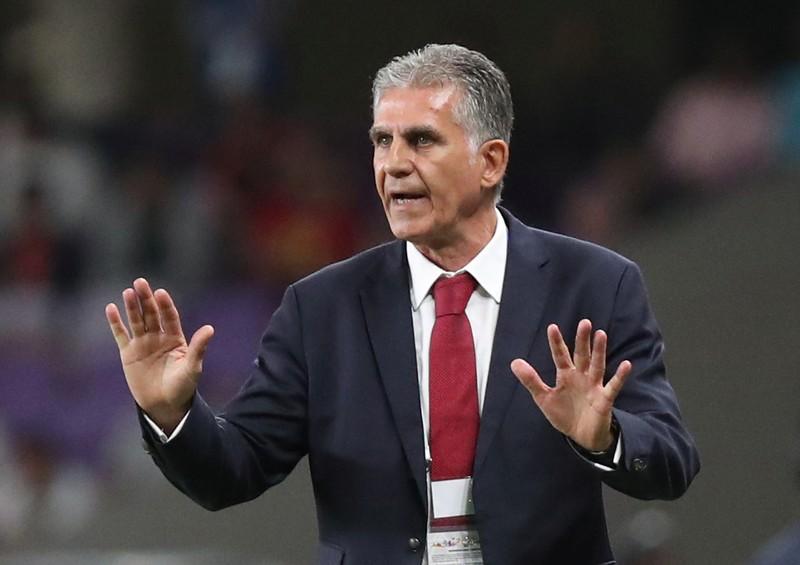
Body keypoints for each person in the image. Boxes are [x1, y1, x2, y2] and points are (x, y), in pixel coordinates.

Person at [105, 44, 700, 564]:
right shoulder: (320, 309)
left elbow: (671, 460)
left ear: (491, 161)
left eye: (421, 140)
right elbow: (233, 471)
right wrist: (171, 414)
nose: (393, 164)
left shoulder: (596, 284)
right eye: (382, 141)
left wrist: (605, 437)